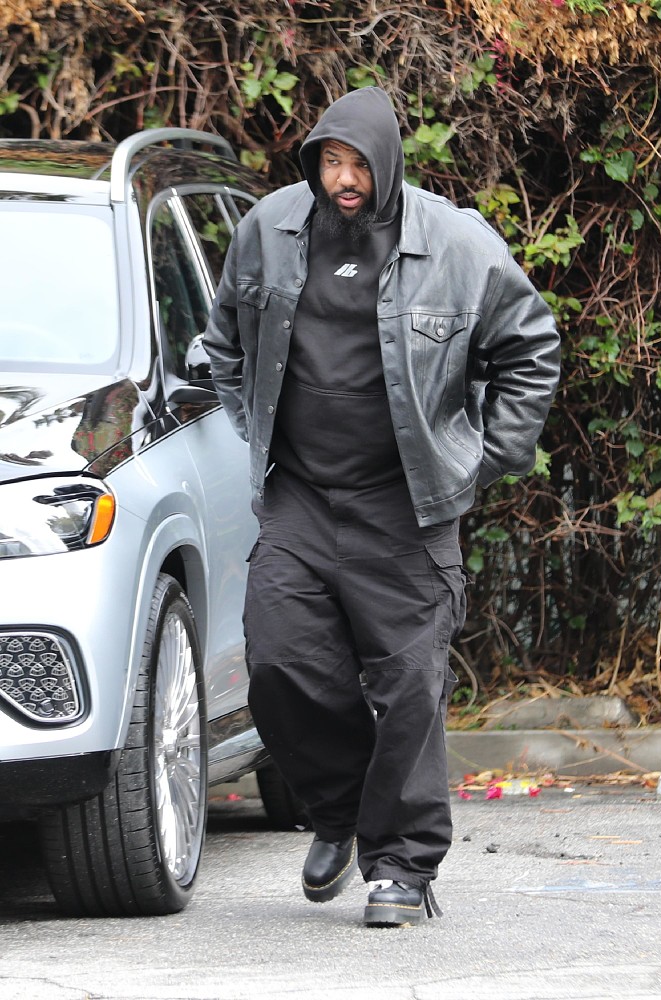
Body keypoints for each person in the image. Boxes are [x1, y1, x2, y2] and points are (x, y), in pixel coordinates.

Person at [203, 86, 560, 927]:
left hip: (404, 506)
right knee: (279, 666)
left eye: (358, 165)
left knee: (408, 684)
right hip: (299, 496)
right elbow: (224, 342)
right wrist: (256, 430)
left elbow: (531, 346)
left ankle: (400, 864)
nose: (343, 179)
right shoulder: (270, 228)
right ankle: (340, 812)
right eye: (329, 162)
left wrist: (483, 460)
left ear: (389, 164)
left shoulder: (456, 243)